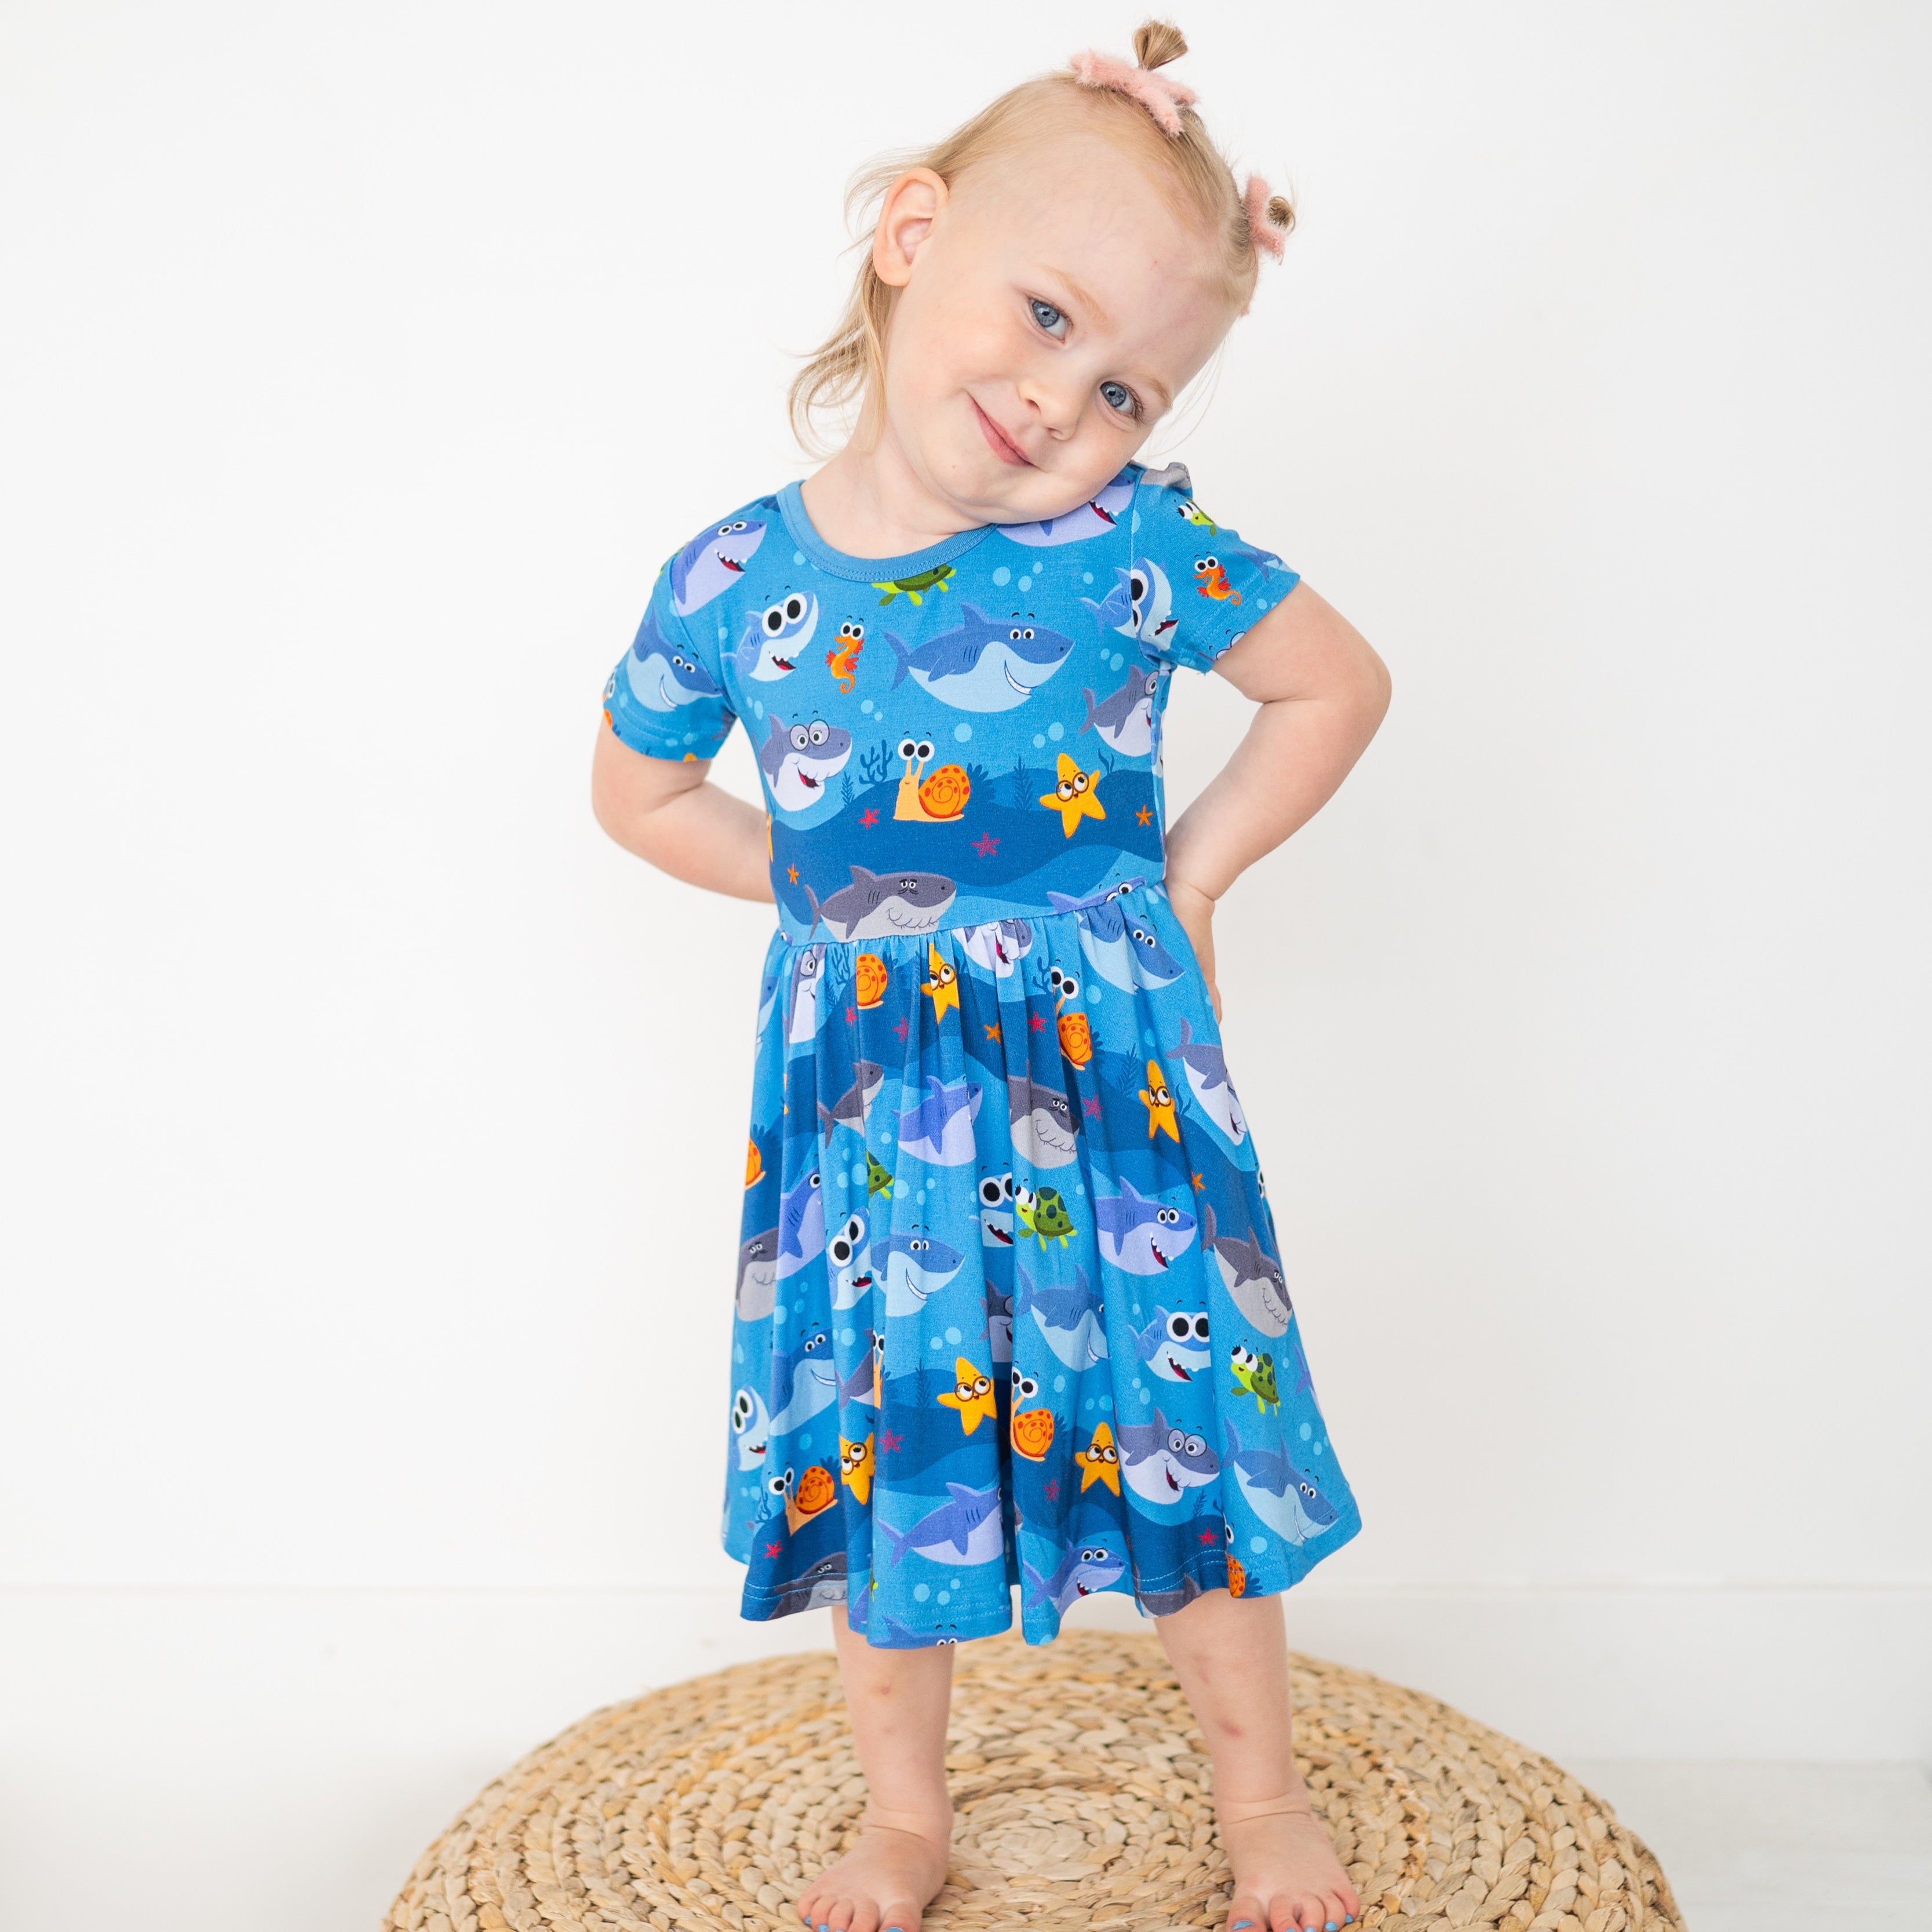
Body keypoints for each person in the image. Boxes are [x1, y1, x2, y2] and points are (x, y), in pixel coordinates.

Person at [590, 23, 1391, 1932]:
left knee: (1185, 1421)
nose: (1061, 401)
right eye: (1042, 315)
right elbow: (634, 790)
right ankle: (902, 1814)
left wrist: (1189, 879)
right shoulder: (727, 583)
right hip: (873, 1114)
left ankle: (1259, 1793)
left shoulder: (1133, 552)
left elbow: (1334, 682)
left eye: (1125, 384)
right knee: (889, 1451)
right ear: (909, 236)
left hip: (1112, 1088)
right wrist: (813, 889)